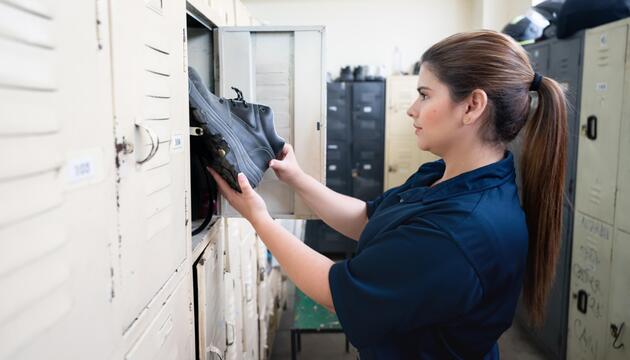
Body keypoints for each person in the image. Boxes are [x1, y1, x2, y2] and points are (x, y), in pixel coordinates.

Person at [208, 30, 567, 359]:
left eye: (425, 95)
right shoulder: (446, 175)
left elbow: (338, 290)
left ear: (473, 106)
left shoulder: (461, 231)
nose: (412, 109)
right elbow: (368, 219)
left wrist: (259, 218)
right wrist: (298, 179)